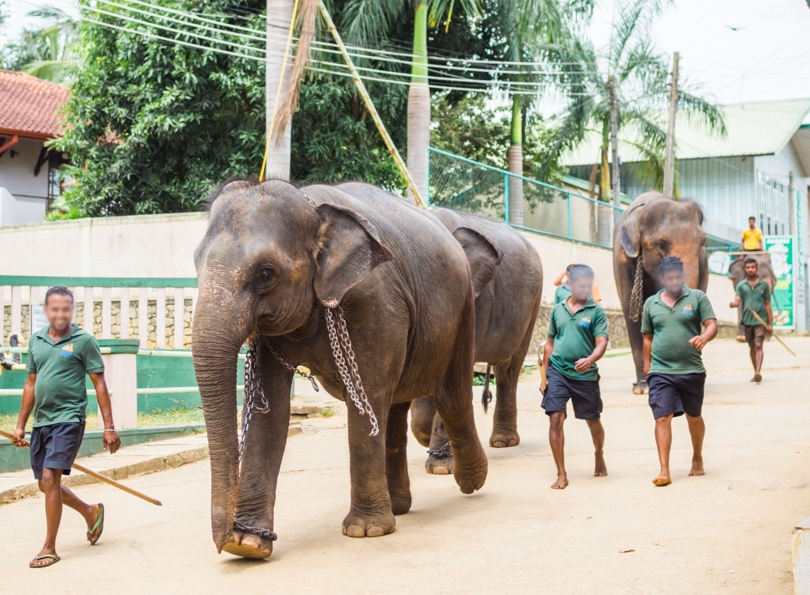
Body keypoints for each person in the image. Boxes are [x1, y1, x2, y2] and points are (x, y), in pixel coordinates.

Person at [11, 286, 121, 568]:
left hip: (69, 418)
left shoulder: (84, 341)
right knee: (45, 484)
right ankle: (90, 511)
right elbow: (31, 384)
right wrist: (21, 425)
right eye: (55, 309)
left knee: (50, 478)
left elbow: (99, 384)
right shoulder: (36, 341)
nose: (60, 314)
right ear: (46, 311)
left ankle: (49, 547)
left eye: (66, 308)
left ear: (71, 310)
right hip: (42, 420)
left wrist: (108, 427)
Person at [641, 256, 717, 487]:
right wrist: (647, 370)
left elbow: (711, 324)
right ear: (662, 279)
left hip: (691, 369)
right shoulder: (651, 304)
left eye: (678, 276)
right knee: (662, 418)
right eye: (669, 277)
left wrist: (704, 337)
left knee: (694, 416)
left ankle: (697, 456)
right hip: (661, 371)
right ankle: (664, 470)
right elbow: (647, 338)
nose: (674, 281)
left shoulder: (697, 298)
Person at [540, 264, 609, 489]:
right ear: (570, 284)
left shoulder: (595, 311)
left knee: (593, 420)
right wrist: (545, 377)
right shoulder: (558, 309)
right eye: (581, 285)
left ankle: (599, 453)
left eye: (588, 285)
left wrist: (590, 359)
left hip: (585, 375)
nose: (586, 289)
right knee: (556, 418)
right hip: (558, 370)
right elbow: (549, 343)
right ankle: (561, 473)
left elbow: (602, 342)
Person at [730, 258, 773, 383]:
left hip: (761, 321)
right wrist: (733, 304)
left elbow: (767, 305)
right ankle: (756, 371)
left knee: (759, 345)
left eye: (753, 267)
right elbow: (737, 300)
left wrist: (770, 323)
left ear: (757, 268)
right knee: (752, 346)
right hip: (747, 321)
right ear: (744, 269)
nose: (750, 269)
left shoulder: (764, 285)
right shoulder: (741, 285)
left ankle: (758, 372)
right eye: (748, 267)